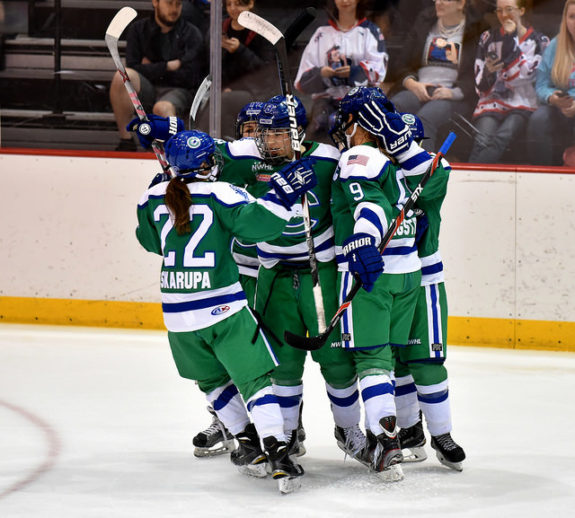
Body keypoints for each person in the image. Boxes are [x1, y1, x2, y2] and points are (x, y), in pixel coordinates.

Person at [135, 129, 317, 492]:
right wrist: (284, 193)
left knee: (213, 382)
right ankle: (278, 451)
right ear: (205, 164)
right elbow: (259, 227)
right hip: (223, 306)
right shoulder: (222, 191)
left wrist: (160, 194)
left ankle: (246, 442)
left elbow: (150, 241)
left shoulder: (152, 196)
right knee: (255, 381)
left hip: (178, 314)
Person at [328, 86, 435, 480]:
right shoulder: (398, 160)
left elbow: (367, 203)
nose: (340, 130)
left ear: (359, 126)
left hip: (374, 274)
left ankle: (388, 444)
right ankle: (407, 434)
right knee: (390, 358)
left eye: (346, 122)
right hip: (408, 275)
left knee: (372, 360)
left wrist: (362, 239)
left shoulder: (360, 156)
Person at [385, 112, 466, 471]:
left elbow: (440, 168)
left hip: (424, 280)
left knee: (426, 360)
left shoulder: (433, 172)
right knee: (395, 361)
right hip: (384, 282)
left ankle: (442, 433)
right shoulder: (374, 175)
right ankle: (410, 430)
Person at [110, 0, 205, 151]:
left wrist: (150, 67)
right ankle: (126, 141)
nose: (174, 9)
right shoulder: (138, 29)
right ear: (155, 2)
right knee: (121, 76)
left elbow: (190, 77)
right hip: (148, 88)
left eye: (178, 4)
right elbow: (132, 67)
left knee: (162, 108)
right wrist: (168, 66)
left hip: (178, 91)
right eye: (169, 3)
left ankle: (172, 153)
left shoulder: (192, 33)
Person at [389, 0, 483, 152]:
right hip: (418, 88)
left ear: (460, 4)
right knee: (392, 109)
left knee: (424, 119)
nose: (438, 3)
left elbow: (478, 73)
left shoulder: (476, 28)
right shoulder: (424, 21)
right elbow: (401, 63)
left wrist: (453, 93)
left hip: (452, 94)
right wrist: (412, 84)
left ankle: (424, 171)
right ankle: (387, 166)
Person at [295, 0, 388, 143]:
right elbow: (302, 81)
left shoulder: (371, 31)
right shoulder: (321, 34)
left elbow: (379, 70)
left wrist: (354, 72)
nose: (345, 1)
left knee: (353, 128)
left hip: (361, 100)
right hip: (326, 101)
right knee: (319, 124)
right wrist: (322, 74)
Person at [468, 0, 548, 163]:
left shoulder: (540, 41)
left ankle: (468, 180)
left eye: (509, 9)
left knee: (501, 137)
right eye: (499, 11)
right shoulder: (487, 37)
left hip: (523, 103)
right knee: (482, 140)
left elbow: (526, 77)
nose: (504, 16)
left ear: (522, 10)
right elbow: (479, 85)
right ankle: (473, 182)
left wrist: (511, 39)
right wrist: (489, 73)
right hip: (492, 102)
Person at [527, 0, 575, 165]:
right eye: (572, 17)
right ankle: (542, 173)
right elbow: (541, 85)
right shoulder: (556, 45)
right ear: (565, 19)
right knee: (539, 119)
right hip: (560, 108)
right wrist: (552, 97)